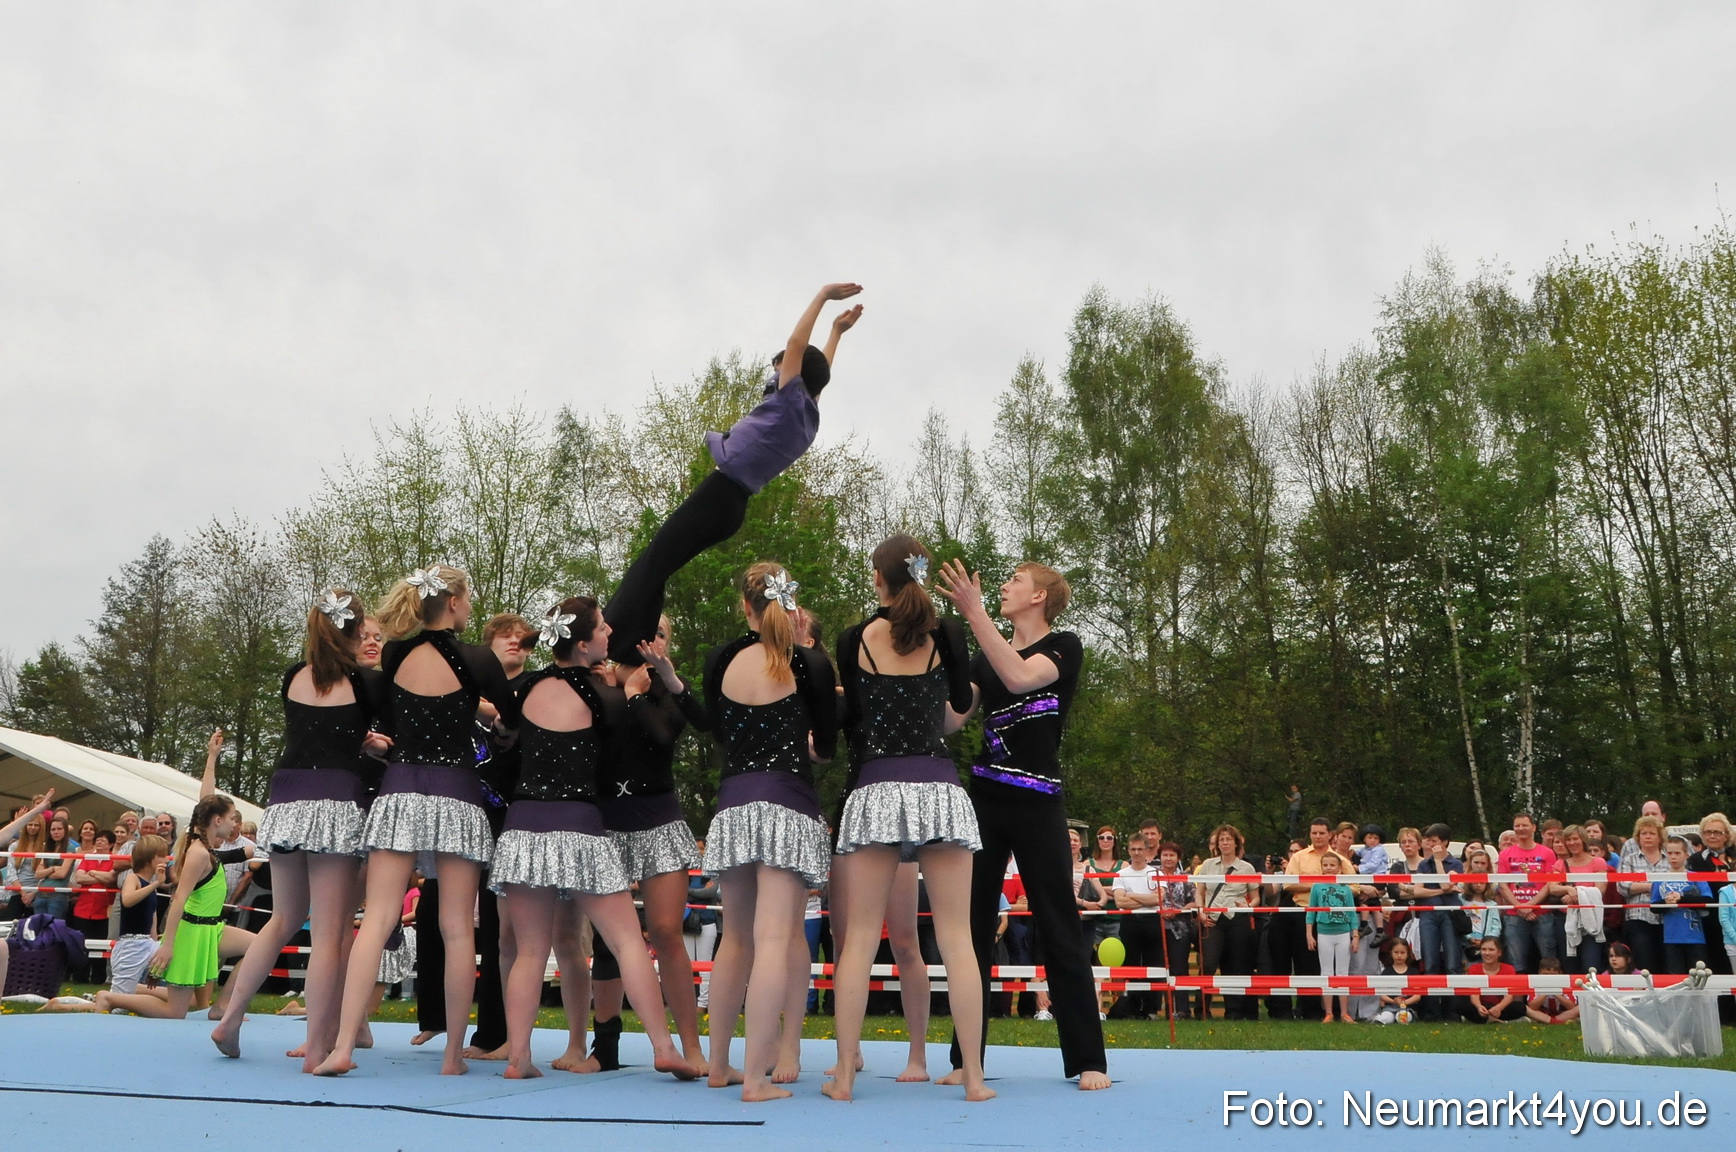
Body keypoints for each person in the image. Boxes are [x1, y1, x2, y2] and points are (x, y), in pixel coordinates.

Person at [314, 564, 520, 1078]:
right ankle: (453, 1057)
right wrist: (490, 726)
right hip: (456, 794)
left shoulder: (396, 653)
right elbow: (514, 724)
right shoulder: (477, 660)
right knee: (456, 929)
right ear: (452, 602)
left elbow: (384, 709)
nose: (471, 605)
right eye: (468, 597)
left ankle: (342, 1045)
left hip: (401, 789)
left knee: (377, 919)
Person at [493, 596, 698, 1082]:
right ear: (584, 643)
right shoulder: (605, 696)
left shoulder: (528, 688)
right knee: (628, 941)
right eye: (604, 629)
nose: (611, 635)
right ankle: (664, 1046)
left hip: (524, 825)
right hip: (580, 824)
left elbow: (507, 736)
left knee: (528, 950)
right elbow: (637, 744)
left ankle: (519, 1057)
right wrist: (628, 691)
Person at [602, 284, 863, 665]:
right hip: (731, 505)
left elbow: (796, 345)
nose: (776, 377)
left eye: (781, 370)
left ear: (796, 376)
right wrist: (836, 334)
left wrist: (823, 297)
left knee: (653, 561)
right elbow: (817, 372)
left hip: (720, 495)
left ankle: (614, 643)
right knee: (659, 565)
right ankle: (627, 646)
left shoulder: (792, 397)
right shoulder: (807, 416)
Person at [935, 558, 1110, 1091]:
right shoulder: (987, 654)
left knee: (1058, 923)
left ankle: (1088, 1059)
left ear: (1040, 597)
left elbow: (1019, 673)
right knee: (972, 925)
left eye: (1015, 581)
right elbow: (949, 719)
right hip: (985, 800)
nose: (1004, 586)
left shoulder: (1065, 646)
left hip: (1039, 803)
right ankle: (967, 1059)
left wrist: (973, 611)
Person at [824, 535, 989, 1103]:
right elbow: (962, 707)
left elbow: (857, 716)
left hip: (876, 787)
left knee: (860, 942)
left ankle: (844, 1075)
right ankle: (973, 1079)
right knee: (958, 940)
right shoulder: (948, 635)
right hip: (938, 787)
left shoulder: (854, 640)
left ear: (878, 577)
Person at [211, 591, 385, 1070]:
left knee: (282, 919)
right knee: (328, 934)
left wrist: (356, 740)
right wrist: (369, 745)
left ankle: (230, 1017)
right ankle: (316, 1047)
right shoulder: (366, 683)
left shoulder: (293, 677)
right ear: (352, 632)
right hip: (334, 800)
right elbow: (352, 735)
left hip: (287, 795)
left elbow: (317, 730)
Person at [699, 563, 839, 1102]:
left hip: (733, 804)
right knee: (774, 940)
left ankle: (719, 1065)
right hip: (786, 802)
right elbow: (824, 746)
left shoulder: (721, 660)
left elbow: (715, 726)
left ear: (745, 607)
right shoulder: (811, 665)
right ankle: (756, 1078)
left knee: (736, 938)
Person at [585, 613, 709, 1075]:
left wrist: (635, 694)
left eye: (661, 634)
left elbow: (662, 736)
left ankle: (691, 1048)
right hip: (607, 823)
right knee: (608, 940)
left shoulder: (668, 689)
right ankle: (606, 1049)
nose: (652, 640)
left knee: (665, 932)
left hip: (658, 819)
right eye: (646, 631)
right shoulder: (596, 684)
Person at [411, 611, 529, 1060]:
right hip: (458, 814)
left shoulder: (533, 691)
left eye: (524, 638)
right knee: (434, 913)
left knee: (501, 931)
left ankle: (493, 1034)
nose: (516, 643)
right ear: (487, 647)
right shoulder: (460, 692)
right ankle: (438, 1017)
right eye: (506, 636)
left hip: (506, 820)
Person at [80, 796, 257, 1018]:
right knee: (175, 1012)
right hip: (192, 932)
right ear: (218, 820)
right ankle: (110, 998)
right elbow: (179, 899)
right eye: (232, 818)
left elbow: (206, 797)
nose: (235, 824)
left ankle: (223, 1005)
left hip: (211, 929)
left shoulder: (207, 848)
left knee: (259, 948)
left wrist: (211, 760)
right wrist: (168, 945)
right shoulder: (198, 852)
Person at [1195, 824, 1259, 1021]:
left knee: (1236, 966)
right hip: (1212, 919)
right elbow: (1199, 892)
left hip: (1237, 919)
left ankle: (1234, 1012)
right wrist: (1200, 911)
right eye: (1221, 839)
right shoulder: (1207, 865)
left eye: (1228, 839)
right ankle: (1202, 1011)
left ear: (1236, 842)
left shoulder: (1246, 867)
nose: (1225, 843)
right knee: (1208, 963)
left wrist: (1247, 907)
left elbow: (1255, 897)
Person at [1401, 823, 1462, 1011]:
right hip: (1428, 914)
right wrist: (1440, 890)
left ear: (1444, 842)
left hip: (1450, 915)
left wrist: (1437, 862)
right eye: (1427, 840)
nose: (1428, 843)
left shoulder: (1456, 863)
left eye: (1433, 841)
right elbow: (1418, 892)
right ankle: (1432, 1011)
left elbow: (1445, 885)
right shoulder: (1422, 865)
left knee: (1452, 964)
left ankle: (1453, 1011)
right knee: (1430, 963)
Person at [1497, 813, 1560, 974]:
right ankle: (1520, 999)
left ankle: (1552, 997)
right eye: (1517, 825)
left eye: (1524, 825)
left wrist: (1531, 905)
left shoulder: (1547, 853)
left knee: (1549, 959)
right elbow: (1502, 884)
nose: (1520, 829)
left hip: (1542, 913)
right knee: (1515, 962)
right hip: (1514, 914)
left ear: (1534, 828)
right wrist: (1519, 907)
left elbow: (1549, 882)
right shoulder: (1504, 854)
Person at [1305, 851, 1358, 1024]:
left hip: (1343, 933)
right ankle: (1328, 1013)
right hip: (1324, 933)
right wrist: (1309, 934)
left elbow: (1352, 913)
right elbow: (1311, 911)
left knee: (1343, 973)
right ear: (1321, 868)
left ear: (1340, 868)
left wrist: (1355, 936)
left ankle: (1344, 1013)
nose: (1328, 868)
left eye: (1332, 865)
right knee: (1326, 972)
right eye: (1325, 865)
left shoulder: (1346, 888)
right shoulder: (1317, 886)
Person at [1552, 824, 1610, 976]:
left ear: (1583, 839)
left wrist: (1576, 893)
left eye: (1575, 839)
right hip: (1566, 919)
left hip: (1591, 918)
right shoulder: (1560, 864)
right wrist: (1568, 889)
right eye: (1568, 839)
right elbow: (1552, 888)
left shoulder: (1598, 862)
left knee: (1591, 966)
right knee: (1569, 964)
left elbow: (1600, 889)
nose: (1572, 843)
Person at [1653, 835, 1713, 974]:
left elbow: (1708, 901)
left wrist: (1682, 898)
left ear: (1686, 855)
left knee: (1698, 977)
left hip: (1695, 937)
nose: (1673, 857)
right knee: (1675, 977)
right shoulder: (1659, 878)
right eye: (1669, 853)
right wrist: (1666, 902)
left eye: (1677, 853)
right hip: (1671, 937)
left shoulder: (1695, 876)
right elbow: (1654, 906)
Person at [1619, 814, 1671, 974]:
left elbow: (1678, 885)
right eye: (1643, 833)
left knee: (1666, 965)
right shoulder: (1630, 859)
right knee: (1644, 965)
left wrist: (1640, 886)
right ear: (1638, 837)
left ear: (1660, 837)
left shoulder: (1670, 859)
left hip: (1668, 918)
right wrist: (1653, 887)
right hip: (1639, 918)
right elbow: (1622, 886)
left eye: (1652, 833)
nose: (1647, 836)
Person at [1458, 937, 1525, 1023]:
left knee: (1519, 1007)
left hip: (1501, 1007)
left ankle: (1486, 1020)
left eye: (1491, 950)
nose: (1487, 953)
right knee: (1460, 1005)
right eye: (1484, 949)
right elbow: (1474, 994)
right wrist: (1479, 1007)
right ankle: (1495, 1020)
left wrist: (1499, 1007)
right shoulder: (1474, 968)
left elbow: (1509, 995)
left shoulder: (1509, 969)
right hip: (1483, 1007)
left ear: (1499, 952)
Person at [1372, 937, 1422, 1024]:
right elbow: (1381, 993)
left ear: (1408, 954)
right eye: (1396, 952)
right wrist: (1393, 1001)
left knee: (1403, 1017)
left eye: (1402, 952)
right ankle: (1381, 1019)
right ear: (1391, 953)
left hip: (1408, 1008)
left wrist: (1404, 1002)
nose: (1399, 955)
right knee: (1386, 1017)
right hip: (1389, 1007)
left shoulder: (1413, 972)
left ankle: (1400, 1018)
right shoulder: (1386, 972)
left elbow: (1417, 995)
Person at [1524, 957, 1579, 1024]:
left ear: (1560, 974)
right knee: (1525, 1008)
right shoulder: (1535, 984)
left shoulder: (1566, 984)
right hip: (1542, 1014)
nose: (1549, 978)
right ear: (1539, 972)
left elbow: (1571, 1006)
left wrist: (1556, 993)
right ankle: (1555, 1021)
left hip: (1562, 1014)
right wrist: (1546, 992)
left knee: (1579, 1008)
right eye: (1545, 974)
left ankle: (1552, 1020)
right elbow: (1532, 1006)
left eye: (1553, 975)